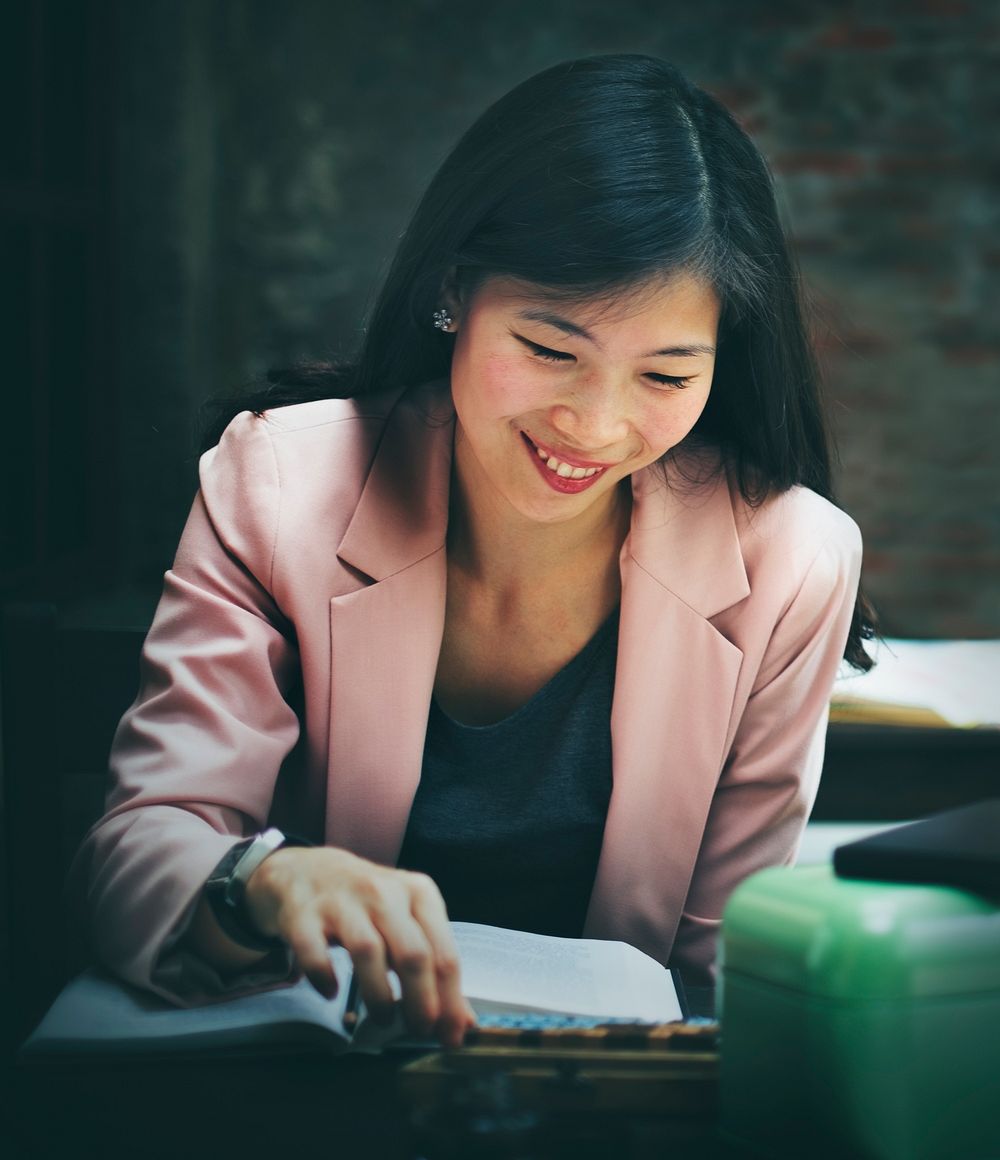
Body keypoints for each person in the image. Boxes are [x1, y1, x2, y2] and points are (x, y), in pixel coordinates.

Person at [70, 54, 874, 1051]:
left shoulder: (791, 558)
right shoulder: (275, 486)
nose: (594, 422)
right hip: (309, 1091)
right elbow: (136, 853)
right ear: (454, 291)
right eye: (548, 348)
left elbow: (720, 972)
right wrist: (262, 881)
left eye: (665, 373)